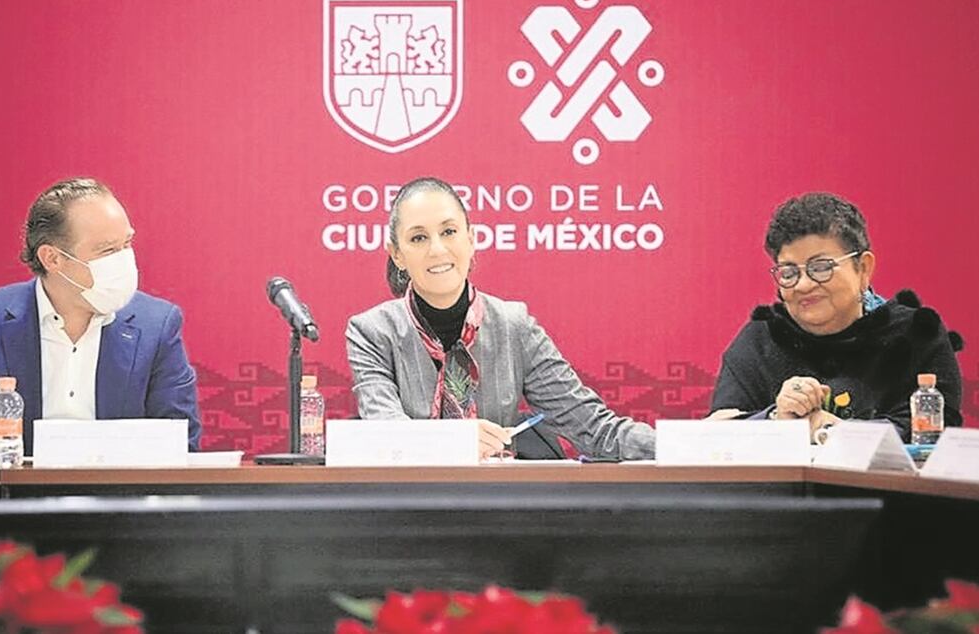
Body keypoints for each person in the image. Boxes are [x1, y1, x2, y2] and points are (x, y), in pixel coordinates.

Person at [345, 177, 655, 460]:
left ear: (471, 239)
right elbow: (385, 434)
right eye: (418, 238)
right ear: (397, 254)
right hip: (408, 500)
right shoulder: (371, 332)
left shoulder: (514, 325)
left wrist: (677, 444)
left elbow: (595, 430)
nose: (437, 249)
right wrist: (455, 441)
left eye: (449, 232)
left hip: (497, 498)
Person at [0, 178, 201, 455]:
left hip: (121, 483)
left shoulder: (157, 325)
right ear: (52, 258)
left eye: (127, 243)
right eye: (107, 250)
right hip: (18, 483)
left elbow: (180, 445)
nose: (124, 260)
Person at [710, 192, 963, 440]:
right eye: (788, 273)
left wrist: (841, 433)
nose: (803, 285)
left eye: (821, 268)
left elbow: (935, 432)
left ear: (863, 268)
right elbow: (716, 432)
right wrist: (777, 419)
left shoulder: (917, 334)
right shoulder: (760, 341)